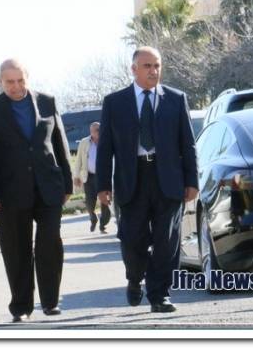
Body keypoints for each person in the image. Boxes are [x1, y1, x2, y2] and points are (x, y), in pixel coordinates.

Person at [96, 46, 198, 313]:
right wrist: (103, 185)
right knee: (133, 239)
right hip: (132, 180)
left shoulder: (175, 99)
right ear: (134, 69)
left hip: (168, 179)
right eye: (147, 66)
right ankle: (134, 277)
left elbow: (187, 144)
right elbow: (105, 148)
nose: (153, 71)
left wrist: (192, 181)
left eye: (157, 65)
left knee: (167, 240)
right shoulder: (115, 102)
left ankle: (159, 294)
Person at [0, 58, 73, 323]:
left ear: (27, 78)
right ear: (0, 82)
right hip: (9, 192)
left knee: (49, 243)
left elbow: (60, 143)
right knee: (16, 250)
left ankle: (50, 302)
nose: (16, 86)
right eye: (10, 82)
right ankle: (21, 306)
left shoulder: (47, 102)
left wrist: (67, 182)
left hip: (48, 186)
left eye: (21, 80)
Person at [73, 122, 111, 233]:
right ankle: (93, 218)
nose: (99, 131)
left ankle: (103, 225)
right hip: (89, 177)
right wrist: (76, 176)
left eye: (100, 129)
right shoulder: (84, 142)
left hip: (103, 177)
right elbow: (78, 160)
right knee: (90, 202)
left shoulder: (106, 140)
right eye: (97, 130)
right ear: (91, 132)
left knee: (105, 202)